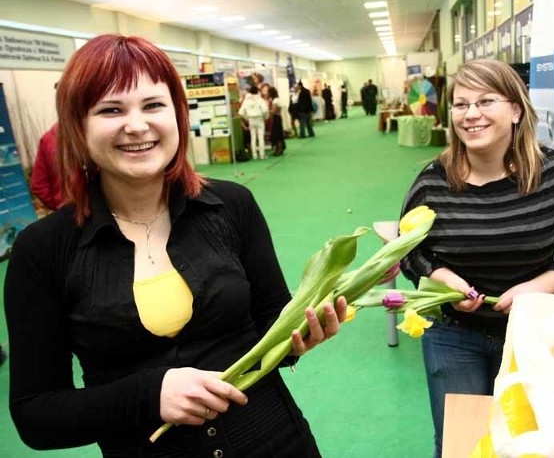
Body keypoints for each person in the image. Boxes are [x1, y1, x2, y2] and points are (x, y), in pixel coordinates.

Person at [3, 34, 348, 458]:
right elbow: (36, 416)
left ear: (177, 114)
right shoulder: (43, 250)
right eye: (111, 109)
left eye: (153, 105)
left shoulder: (231, 206)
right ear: (78, 127)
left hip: (276, 443)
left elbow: (270, 329)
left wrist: (300, 337)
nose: (136, 125)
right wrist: (150, 395)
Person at [399, 59, 554, 458]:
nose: (471, 114)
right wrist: (442, 280)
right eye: (460, 104)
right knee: (461, 444)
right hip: (454, 335)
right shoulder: (433, 180)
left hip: (535, 334)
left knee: (537, 442)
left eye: (485, 101)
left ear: (515, 110)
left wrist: (536, 288)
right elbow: (410, 250)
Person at [31, 121, 64, 211]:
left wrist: (58, 205)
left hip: (66, 209)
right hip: (98, 207)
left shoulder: (47, 139)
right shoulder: (89, 133)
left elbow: (38, 184)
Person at [238, 85, 269, 160]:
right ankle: (262, 155)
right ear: (258, 92)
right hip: (259, 119)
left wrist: (247, 118)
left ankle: (254, 155)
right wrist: (265, 117)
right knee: (261, 138)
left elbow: (240, 112)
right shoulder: (260, 100)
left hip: (251, 120)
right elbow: (265, 110)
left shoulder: (246, 100)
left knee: (253, 138)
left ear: (250, 92)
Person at [267, 86, 286, 156]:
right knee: (278, 134)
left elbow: (274, 111)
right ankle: (278, 149)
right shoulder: (277, 99)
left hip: (276, 118)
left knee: (277, 135)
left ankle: (279, 149)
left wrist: (268, 111)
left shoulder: (275, 101)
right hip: (278, 118)